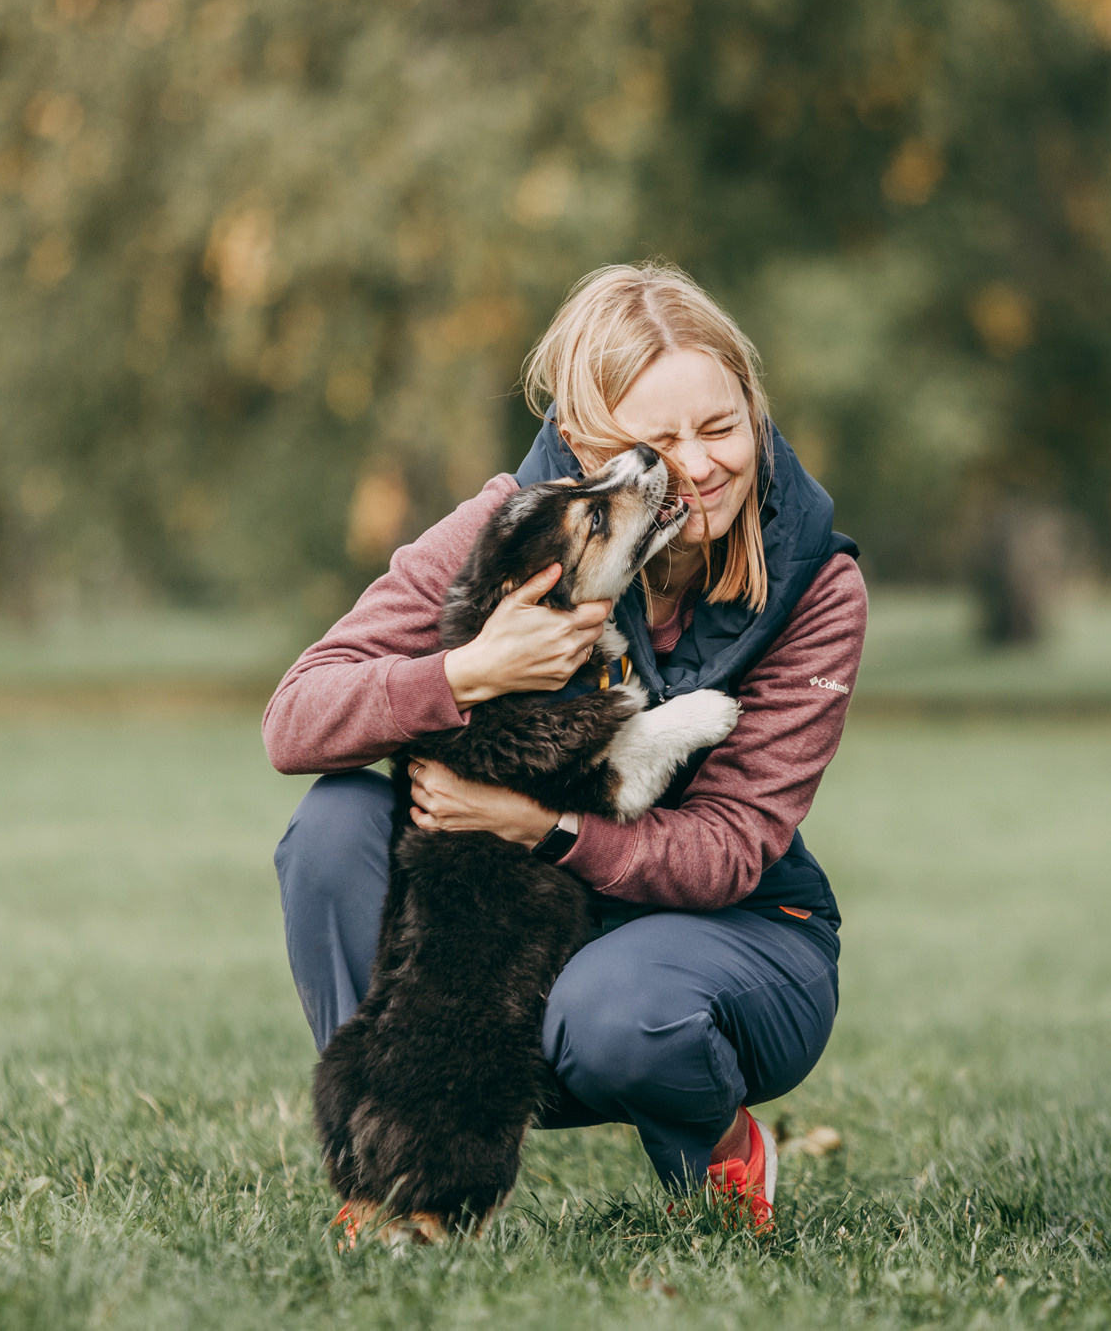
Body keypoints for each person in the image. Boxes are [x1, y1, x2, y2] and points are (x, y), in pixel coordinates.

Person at [266, 261, 866, 1228]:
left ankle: (720, 1152)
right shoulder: (509, 530)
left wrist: (542, 828)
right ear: (586, 444)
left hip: (729, 937)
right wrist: (469, 671)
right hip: (507, 931)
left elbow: (726, 849)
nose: (697, 465)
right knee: (333, 827)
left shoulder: (816, 586)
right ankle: (395, 1173)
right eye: (654, 443)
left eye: (720, 428)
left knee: (614, 1009)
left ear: (755, 410)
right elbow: (295, 718)